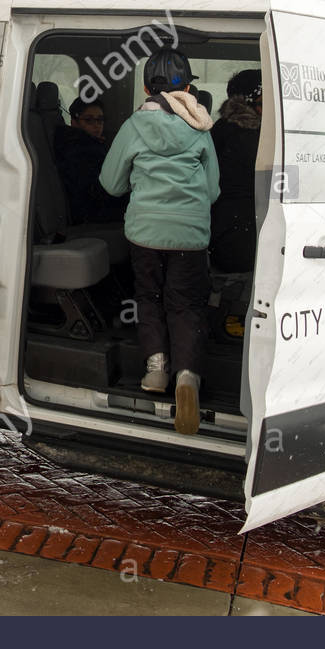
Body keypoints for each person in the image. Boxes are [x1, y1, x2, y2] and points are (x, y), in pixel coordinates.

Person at [99, 48, 219, 435]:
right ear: (186, 87)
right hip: (190, 235)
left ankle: (155, 370)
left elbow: (110, 183)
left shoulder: (134, 126)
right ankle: (187, 376)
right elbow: (213, 189)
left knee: (149, 297)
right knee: (185, 303)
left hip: (145, 233)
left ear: (148, 87)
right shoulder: (201, 126)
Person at [209, 68, 263, 274]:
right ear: (248, 101)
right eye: (263, 102)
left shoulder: (221, 129)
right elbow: (284, 185)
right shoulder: (248, 137)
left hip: (224, 228)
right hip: (239, 234)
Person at [54, 96, 127, 224]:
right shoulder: (79, 149)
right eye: (88, 120)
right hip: (92, 216)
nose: (96, 126)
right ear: (74, 122)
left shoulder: (91, 144)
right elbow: (97, 191)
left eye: (100, 120)